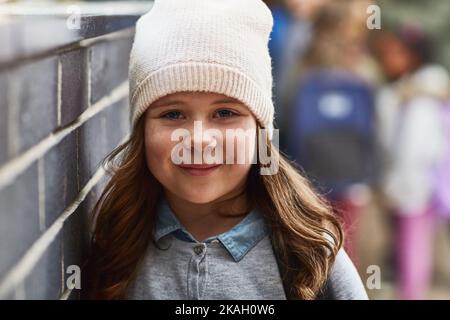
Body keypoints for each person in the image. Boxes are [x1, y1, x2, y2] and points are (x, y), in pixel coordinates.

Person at [82, 0, 367, 300]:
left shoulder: (309, 253)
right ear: (142, 129)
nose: (199, 140)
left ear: (259, 132)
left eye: (225, 113)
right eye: (173, 114)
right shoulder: (114, 248)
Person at [372, 26, 449, 299]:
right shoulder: (394, 93)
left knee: (413, 246)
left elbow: (415, 148)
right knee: (406, 245)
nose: (389, 58)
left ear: (415, 55)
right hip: (403, 183)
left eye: (397, 52)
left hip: (419, 183)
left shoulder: (426, 91)